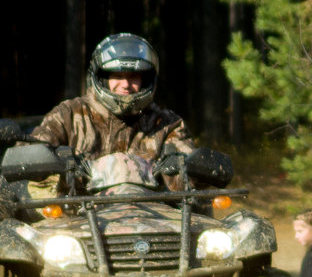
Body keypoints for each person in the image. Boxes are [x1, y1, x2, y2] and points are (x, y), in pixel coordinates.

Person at [30, 33, 196, 194]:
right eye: (117, 75)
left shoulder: (167, 124)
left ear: (145, 80)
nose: (125, 84)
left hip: (154, 217)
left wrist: (189, 169)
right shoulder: (68, 116)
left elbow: (193, 174)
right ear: (102, 78)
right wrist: (54, 162)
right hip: (77, 216)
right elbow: (28, 159)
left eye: (133, 77)